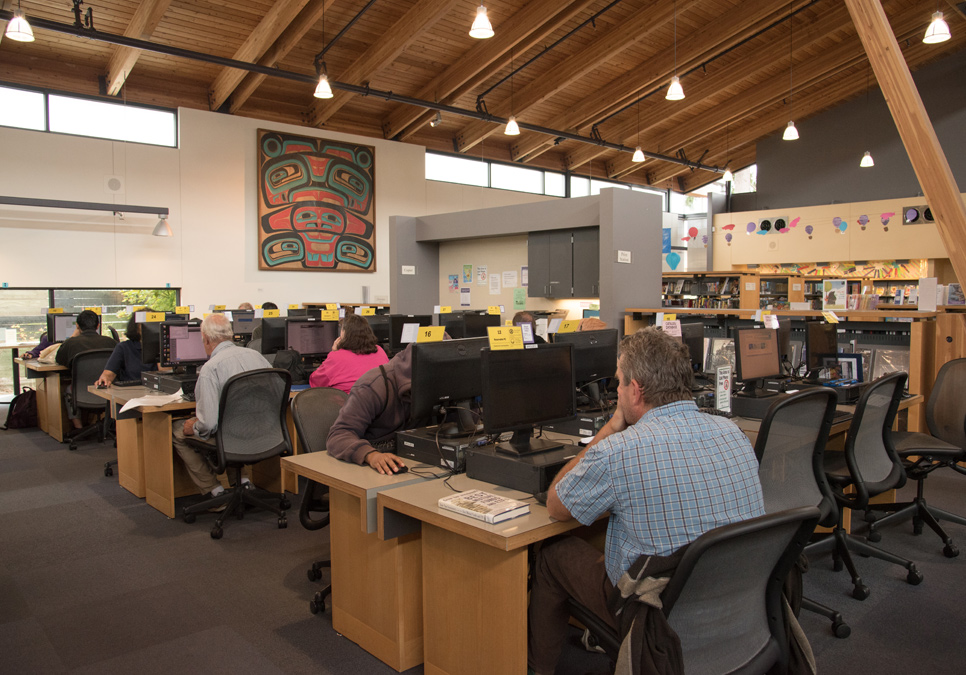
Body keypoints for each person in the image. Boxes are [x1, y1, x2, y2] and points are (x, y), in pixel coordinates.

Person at [527, 327, 764, 675]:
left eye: (620, 382)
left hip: (658, 613)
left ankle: (537, 670)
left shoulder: (619, 450)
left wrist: (609, 429)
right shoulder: (734, 433)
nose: (617, 391)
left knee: (552, 556)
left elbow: (557, 505)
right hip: (741, 598)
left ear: (635, 391)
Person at [171, 313, 272, 499]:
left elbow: (208, 426)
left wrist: (191, 426)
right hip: (265, 435)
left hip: (233, 437)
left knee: (178, 430)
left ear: (206, 339)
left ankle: (215, 492)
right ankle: (243, 483)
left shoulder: (211, 369)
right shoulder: (258, 357)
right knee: (230, 422)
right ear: (230, 334)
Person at [326, 343, 414, 475]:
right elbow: (338, 435)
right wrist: (371, 455)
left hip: (411, 460)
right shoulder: (373, 386)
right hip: (369, 468)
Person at [309, 313, 389, 393]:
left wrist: (335, 353)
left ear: (344, 334)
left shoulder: (337, 357)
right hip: (379, 402)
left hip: (349, 403)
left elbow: (316, 382)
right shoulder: (380, 351)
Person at [94, 311, 159, 386]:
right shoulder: (124, 347)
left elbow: (166, 376)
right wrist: (104, 380)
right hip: (130, 391)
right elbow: (108, 373)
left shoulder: (162, 348)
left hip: (158, 392)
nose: (151, 327)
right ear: (136, 328)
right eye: (146, 324)